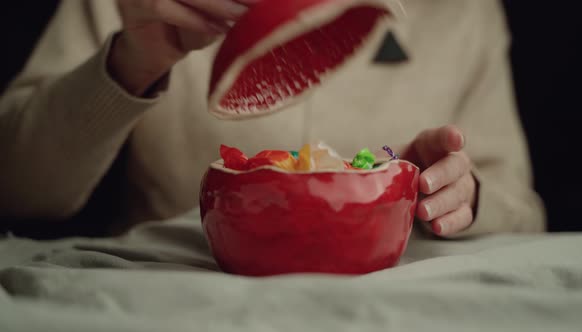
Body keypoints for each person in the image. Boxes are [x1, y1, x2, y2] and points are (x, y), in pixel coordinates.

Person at [0, 0, 545, 238]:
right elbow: (18, 187)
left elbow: (520, 207)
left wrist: (461, 197)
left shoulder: (463, 12)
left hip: (393, 304)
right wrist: (129, 64)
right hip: (170, 298)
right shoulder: (146, 3)